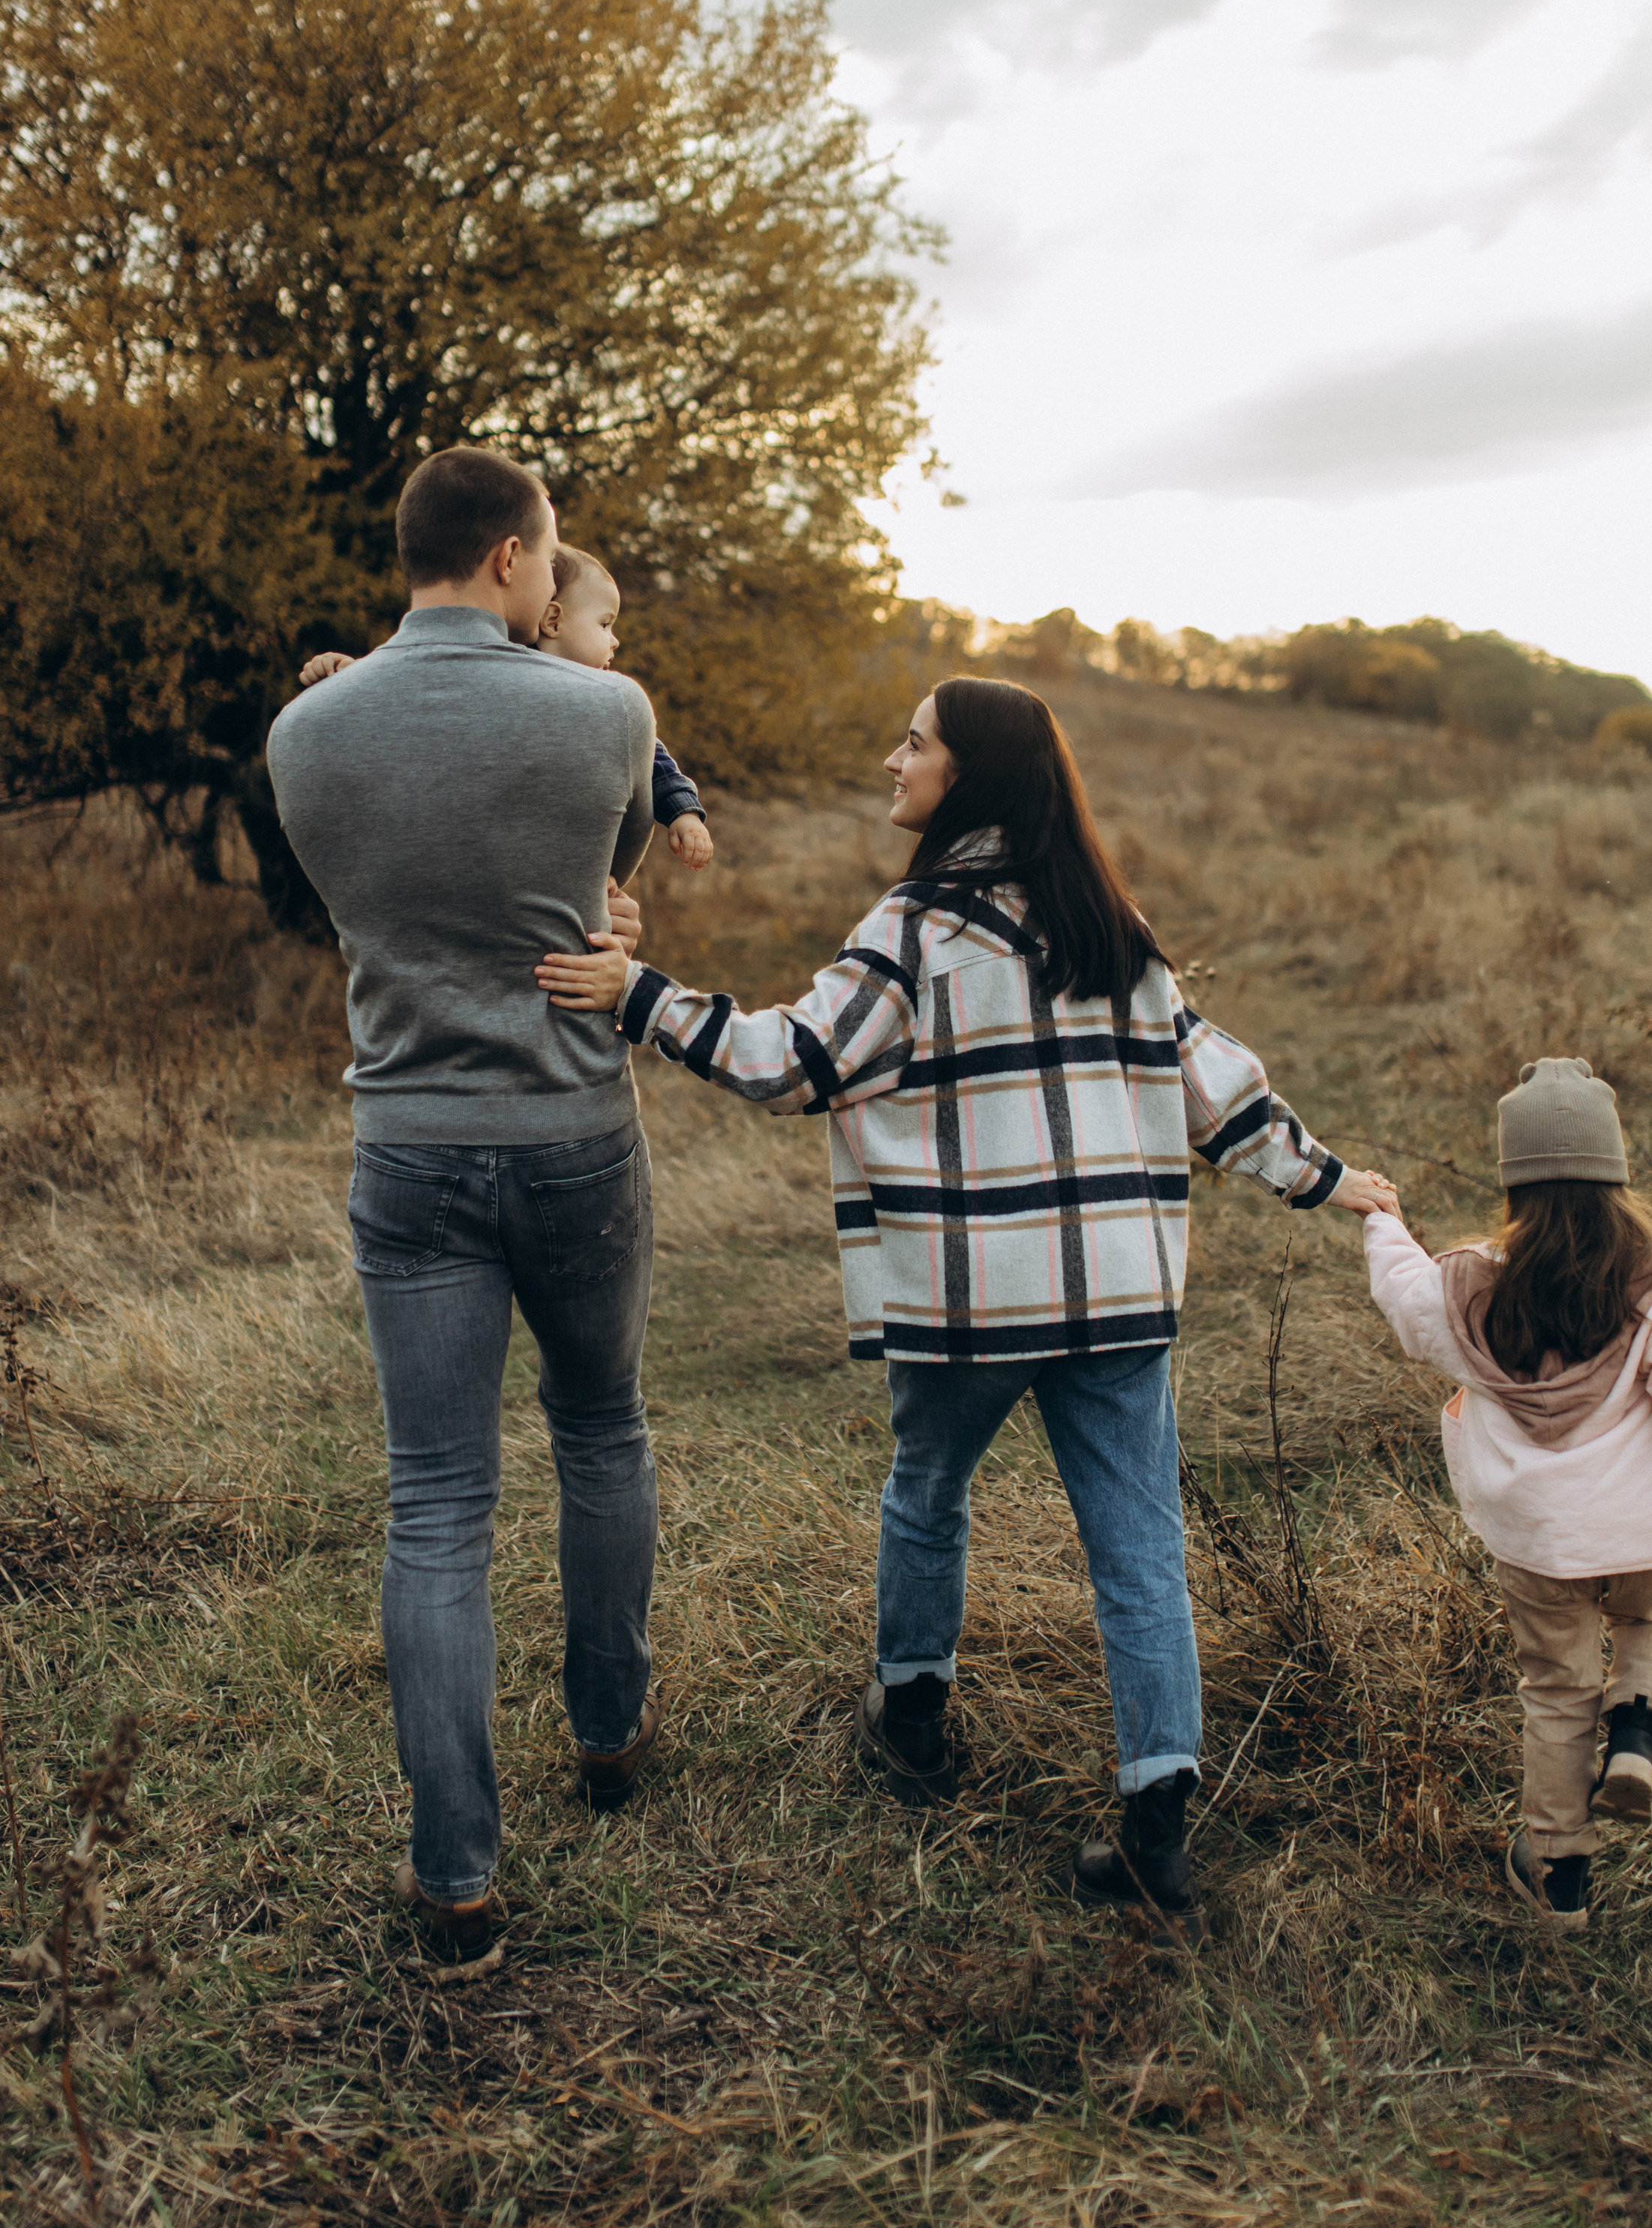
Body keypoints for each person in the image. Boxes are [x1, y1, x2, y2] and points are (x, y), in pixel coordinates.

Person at [534, 675, 1398, 1943]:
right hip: (1118, 1295)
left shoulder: (917, 929)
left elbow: (795, 1065)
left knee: (927, 1492)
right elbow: (1216, 1086)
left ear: (970, 776)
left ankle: (914, 1723)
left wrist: (641, 997)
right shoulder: (1111, 921)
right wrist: (1327, 1179)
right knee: (1141, 1553)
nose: (895, 761)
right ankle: (1157, 1826)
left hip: (972, 1300)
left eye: (916, 744)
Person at [267, 444, 664, 1962]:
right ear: (510, 558)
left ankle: (457, 1882)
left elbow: (354, 905)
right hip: (571, 1129)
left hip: (408, 1145)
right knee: (600, 1424)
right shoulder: (606, 710)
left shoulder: (307, 734)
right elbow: (610, 880)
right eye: (550, 556)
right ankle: (609, 1729)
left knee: (434, 1503)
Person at [1363, 1057, 1652, 1932]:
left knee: (1556, 1689)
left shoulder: (1476, 1285)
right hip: (1642, 1532)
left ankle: (1558, 1876)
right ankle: (1636, 1730)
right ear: (1616, 1176)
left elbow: (1404, 1299)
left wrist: (1382, 1219)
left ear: (1514, 1184)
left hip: (1537, 1540)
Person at [300, 539, 716, 873]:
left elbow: (654, 759)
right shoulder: (496, 670)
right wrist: (350, 675)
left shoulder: (606, 701)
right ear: (553, 621)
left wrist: (683, 813)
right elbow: (417, 690)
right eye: (605, 624)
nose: (615, 640)